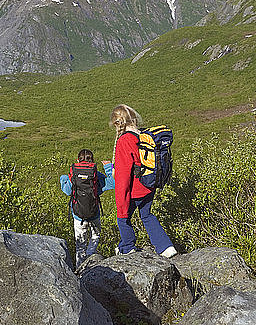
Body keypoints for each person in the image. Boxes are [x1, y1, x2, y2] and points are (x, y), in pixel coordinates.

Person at [109, 104, 178, 258]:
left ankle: (127, 247)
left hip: (135, 190)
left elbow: (123, 176)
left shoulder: (124, 141)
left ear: (117, 123)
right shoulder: (144, 135)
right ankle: (166, 247)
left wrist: (121, 200)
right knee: (146, 215)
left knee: (123, 217)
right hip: (150, 185)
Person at [60, 149, 114, 268]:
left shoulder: (73, 174)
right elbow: (112, 183)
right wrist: (109, 167)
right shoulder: (96, 174)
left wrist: (63, 178)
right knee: (95, 235)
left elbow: (68, 191)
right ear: (92, 160)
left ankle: (80, 268)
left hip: (78, 215)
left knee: (80, 245)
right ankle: (90, 254)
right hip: (94, 213)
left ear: (78, 160)